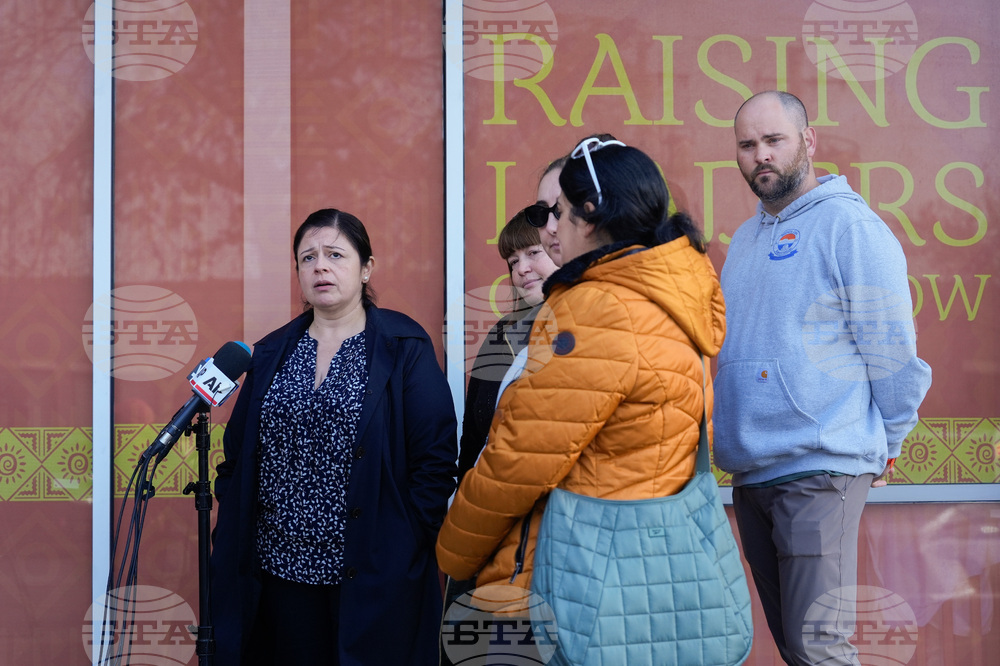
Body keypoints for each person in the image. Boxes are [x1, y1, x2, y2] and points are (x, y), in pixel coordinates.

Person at [436, 137, 727, 646]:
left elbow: (522, 457)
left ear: (588, 216)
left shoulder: (600, 308)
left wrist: (454, 550)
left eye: (558, 213)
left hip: (571, 576)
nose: (550, 228)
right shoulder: (669, 296)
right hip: (635, 576)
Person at [714, 91, 932, 665]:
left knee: (820, 649)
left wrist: (888, 442)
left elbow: (892, 352)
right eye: (747, 144)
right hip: (753, 470)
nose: (761, 154)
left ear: (808, 142)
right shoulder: (742, 241)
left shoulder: (849, 226)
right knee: (796, 647)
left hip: (821, 467)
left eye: (774, 140)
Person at [209, 208, 458, 665]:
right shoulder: (269, 352)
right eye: (308, 258)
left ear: (366, 268)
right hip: (280, 573)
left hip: (373, 574)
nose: (320, 266)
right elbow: (238, 455)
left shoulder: (403, 346)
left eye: (335, 255)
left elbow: (436, 459)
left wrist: (405, 543)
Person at [457, 208, 559, 481]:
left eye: (533, 253)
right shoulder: (501, 335)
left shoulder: (589, 325)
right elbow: (473, 436)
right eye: (513, 262)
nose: (521, 269)